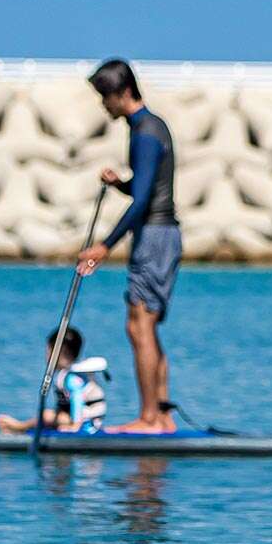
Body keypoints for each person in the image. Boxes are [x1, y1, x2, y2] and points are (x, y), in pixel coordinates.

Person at [75, 58, 182, 434]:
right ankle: (163, 417)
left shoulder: (145, 132)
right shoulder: (149, 127)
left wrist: (104, 245)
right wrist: (121, 182)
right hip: (160, 234)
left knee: (140, 326)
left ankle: (150, 418)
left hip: (154, 236)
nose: (103, 105)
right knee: (145, 326)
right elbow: (144, 188)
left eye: (106, 97)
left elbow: (141, 203)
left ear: (123, 93)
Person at [0, 326, 113, 434]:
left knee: (45, 415)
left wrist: (75, 426)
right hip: (83, 418)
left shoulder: (71, 378)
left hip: (85, 421)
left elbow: (77, 399)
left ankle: (19, 428)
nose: (45, 355)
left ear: (59, 351)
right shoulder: (69, 374)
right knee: (52, 417)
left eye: (48, 351)